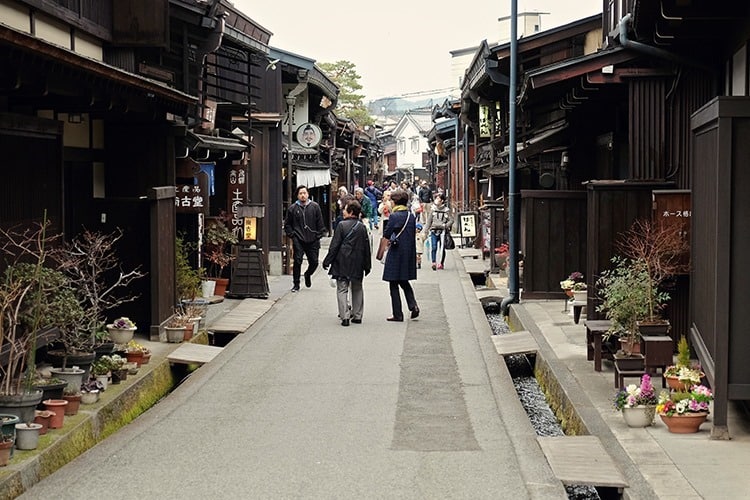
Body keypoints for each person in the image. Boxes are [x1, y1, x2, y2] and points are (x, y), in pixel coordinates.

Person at [322, 199, 372, 326]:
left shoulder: (341, 226)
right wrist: (367, 265)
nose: (343, 211)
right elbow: (367, 248)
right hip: (358, 262)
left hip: (342, 261)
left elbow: (335, 246)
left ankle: (344, 316)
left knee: (342, 288)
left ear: (350, 212)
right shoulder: (362, 227)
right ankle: (357, 315)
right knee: (357, 288)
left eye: (345, 209)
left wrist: (327, 261)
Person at [381, 189, 419, 322]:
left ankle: (398, 314)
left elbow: (387, 233)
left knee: (393, 283)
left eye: (391, 200)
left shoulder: (394, 216)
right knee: (404, 281)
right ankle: (413, 305)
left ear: (395, 201)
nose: (390, 202)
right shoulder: (411, 216)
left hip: (396, 251)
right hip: (408, 252)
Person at [284, 185, 326, 292]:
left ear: (308, 194)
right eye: (300, 193)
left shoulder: (315, 206)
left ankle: (308, 274)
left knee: (314, 262)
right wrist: (292, 234)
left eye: (304, 193)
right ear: (297, 195)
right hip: (298, 238)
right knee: (297, 261)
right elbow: (287, 224)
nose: (303, 195)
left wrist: (319, 234)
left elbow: (320, 222)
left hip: (313, 239)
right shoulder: (293, 208)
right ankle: (296, 284)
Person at [424, 192, 454, 270]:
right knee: (433, 247)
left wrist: (446, 225)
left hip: (443, 231)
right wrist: (426, 231)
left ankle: (441, 263)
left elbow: (451, 220)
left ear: (442, 201)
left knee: (442, 248)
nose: (436, 200)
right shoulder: (433, 210)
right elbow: (429, 221)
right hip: (433, 230)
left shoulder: (447, 210)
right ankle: (434, 262)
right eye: (436, 198)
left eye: (438, 198)